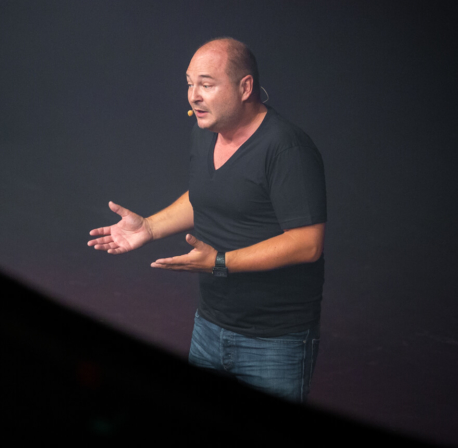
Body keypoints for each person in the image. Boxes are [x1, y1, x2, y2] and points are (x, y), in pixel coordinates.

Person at [87, 37, 325, 403]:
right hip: (210, 326)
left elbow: (307, 244)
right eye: (189, 84)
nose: (193, 96)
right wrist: (149, 227)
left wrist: (220, 262)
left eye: (207, 85)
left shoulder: (286, 148)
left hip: (273, 341)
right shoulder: (206, 133)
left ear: (245, 87)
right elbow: (208, 195)